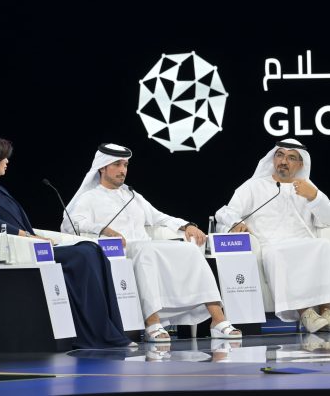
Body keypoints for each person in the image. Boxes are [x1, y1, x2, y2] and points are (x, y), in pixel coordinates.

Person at [0, 134, 132, 349]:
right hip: (21, 251)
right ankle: (95, 333)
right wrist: (29, 237)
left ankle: (107, 329)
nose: (7, 161)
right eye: (3, 157)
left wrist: (35, 237)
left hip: (34, 246)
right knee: (83, 254)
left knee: (92, 249)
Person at [61, 143, 241, 342]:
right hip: (119, 251)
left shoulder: (132, 196)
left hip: (144, 246)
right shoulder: (89, 197)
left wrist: (186, 225)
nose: (123, 170)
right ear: (102, 167)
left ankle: (217, 319)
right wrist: (103, 229)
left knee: (189, 249)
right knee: (145, 252)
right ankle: (152, 321)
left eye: (125, 165)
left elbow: (159, 217)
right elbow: (70, 223)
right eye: (117, 165)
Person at [215, 138, 330, 333]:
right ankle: (306, 313)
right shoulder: (254, 186)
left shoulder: (307, 187)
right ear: (273, 158)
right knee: (282, 253)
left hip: (304, 242)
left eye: (291, 158)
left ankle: (327, 311)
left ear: (301, 164)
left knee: (324, 245)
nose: (283, 161)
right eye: (280, 155)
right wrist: (236, 222)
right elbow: (225, 212)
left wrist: (314, 197)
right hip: (272, 245)